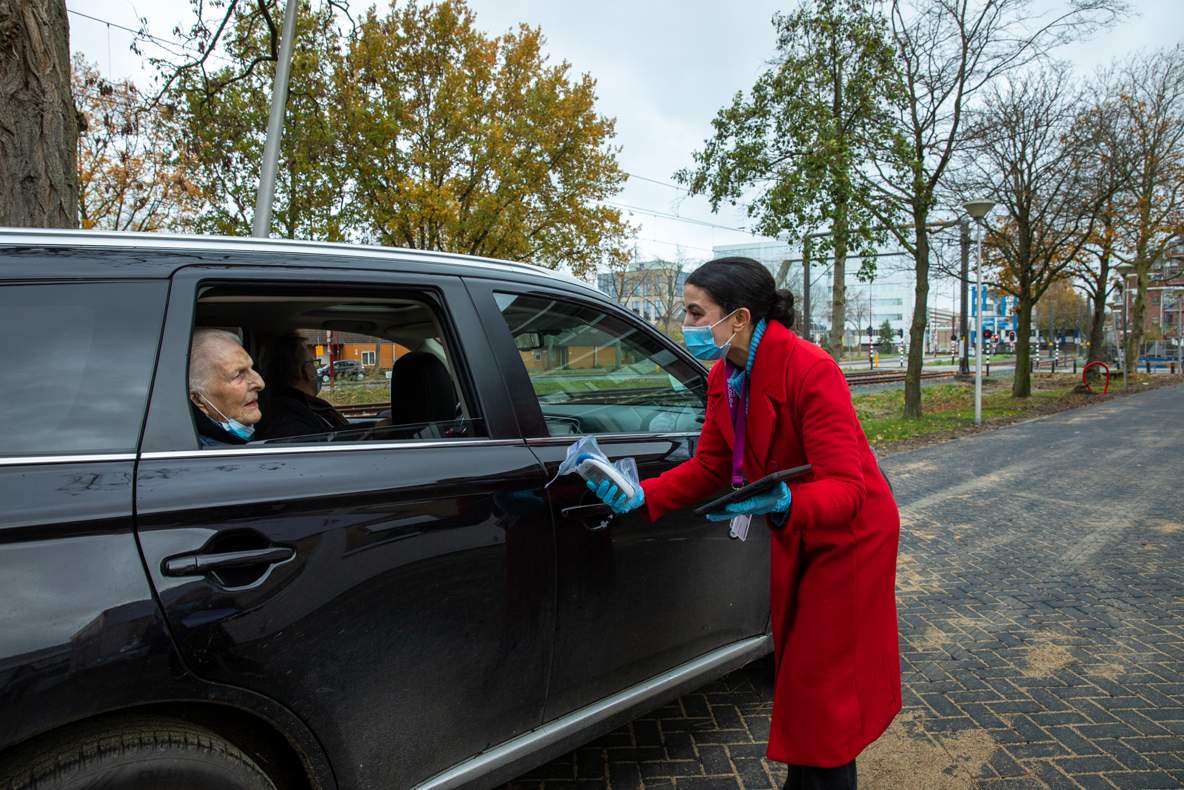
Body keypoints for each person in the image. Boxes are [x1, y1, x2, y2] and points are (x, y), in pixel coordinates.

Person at [589, 257, 901, 790]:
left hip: (847, 535)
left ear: (737, 318)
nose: (684, 324)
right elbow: (712, 464)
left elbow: (847, 489)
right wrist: (641, 496)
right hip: (796, 526)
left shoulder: (810, 368)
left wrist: (783, 501)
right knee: (801, 676)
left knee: (823, 685)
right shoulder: (724, 375)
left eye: (693, 311)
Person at [257, 332, 350, 439]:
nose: (316, 368)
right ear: (307, 370)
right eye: (313, 363)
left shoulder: (285, 408)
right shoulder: (291, 420)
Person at [188, 328, 265, 448]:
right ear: (199, 400)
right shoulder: (208, 456)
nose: (260, 383)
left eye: (252, 368)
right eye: (238, 374)